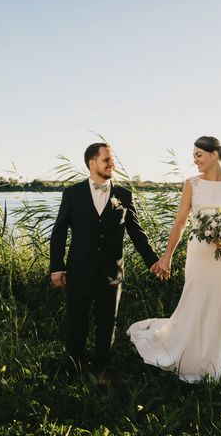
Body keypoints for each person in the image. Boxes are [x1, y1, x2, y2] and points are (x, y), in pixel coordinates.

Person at [127, 136, 221, 383]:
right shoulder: (191, 184)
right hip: (199, 252)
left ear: (214, 154)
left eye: (199, 155)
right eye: (194, 155)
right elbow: (181, 221)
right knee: (198, 294)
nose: (194, 160)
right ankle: (192, 348)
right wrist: (167, 256)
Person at [49, 143, 167, 379]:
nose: (112, 163)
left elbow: (136, 231)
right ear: (92, 163)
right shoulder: (72, 193)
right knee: (76, 322)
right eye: (107, 159)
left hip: (112, 272)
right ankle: (74, 368)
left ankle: (103, 369)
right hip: (79, 270)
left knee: (107, 323)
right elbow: (59, 232)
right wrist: (57, 267)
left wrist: (154, 261)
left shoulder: (123, 195)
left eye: (112, 159)